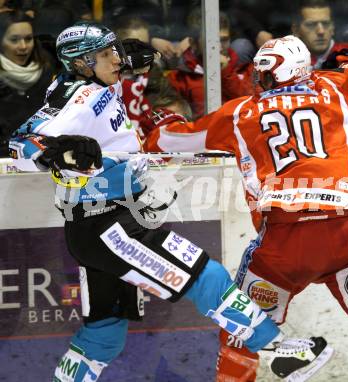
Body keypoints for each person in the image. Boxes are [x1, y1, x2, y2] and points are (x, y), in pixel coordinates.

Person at [8, 22, 331, 382]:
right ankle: (277, 350)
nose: (116, 59)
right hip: (108, 228)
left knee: (105, 335)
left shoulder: (92, 82)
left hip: (101, 224)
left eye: (115, 50)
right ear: (83, 63)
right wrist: (59, 154)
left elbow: (99, 82)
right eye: (106, 54)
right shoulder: (80, 98)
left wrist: (122, 60)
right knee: (206, 274)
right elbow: (21, 143)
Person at [145, 35, 348, 381]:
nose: (259, 80)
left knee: (241, 330)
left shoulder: (242, 111)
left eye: (265, 73)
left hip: (285, 243)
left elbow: (170, 143)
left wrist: (161, 123)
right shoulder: (338, 89)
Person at [168, 9, 253, 119]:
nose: (219, 47)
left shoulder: (244, 69)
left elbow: (250, 107)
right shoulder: (179, 78)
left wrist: (226, 73)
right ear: (193, 43)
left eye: (224, 40)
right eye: (211, 41)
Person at [0, 10, 55, 156]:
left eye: (28, 39)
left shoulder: (49, 70)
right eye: (14, 40)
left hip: (42, 155)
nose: (23, 46)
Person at [291, 0, 348, 69]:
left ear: (332, 28)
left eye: (326, 24)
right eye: (311, 25)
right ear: (296, 30)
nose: (321, 31)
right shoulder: (287, 60)